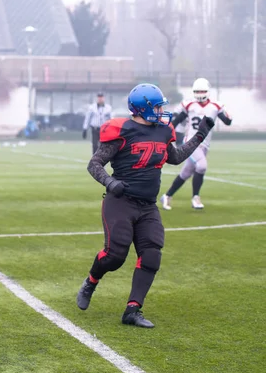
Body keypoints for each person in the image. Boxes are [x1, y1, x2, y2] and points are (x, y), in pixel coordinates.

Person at [75, 83, 216, 328]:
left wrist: (200, 134)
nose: (162, 110)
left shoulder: (162, 131)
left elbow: (175, 157)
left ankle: (132, 310)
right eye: (158, 106)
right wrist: (110, 182)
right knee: (114, 256)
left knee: (151, 255)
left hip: (148, 205)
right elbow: (94, 164)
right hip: (121, 202)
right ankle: (91, 281)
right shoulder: (123, 131)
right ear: (143, 108)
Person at [160, 78, 233, 210]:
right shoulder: (188, 105)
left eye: (202, 91)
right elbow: (176, 122)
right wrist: (166, 134)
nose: (200, 93)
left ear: (208, 91)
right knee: (202, 166)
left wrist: (229, 116)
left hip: (204, 145)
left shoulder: (215, 106)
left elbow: (227, 122)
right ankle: (196, 197)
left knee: (186, 173)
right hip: (191, 143)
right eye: (197, 91)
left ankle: (167, 195)